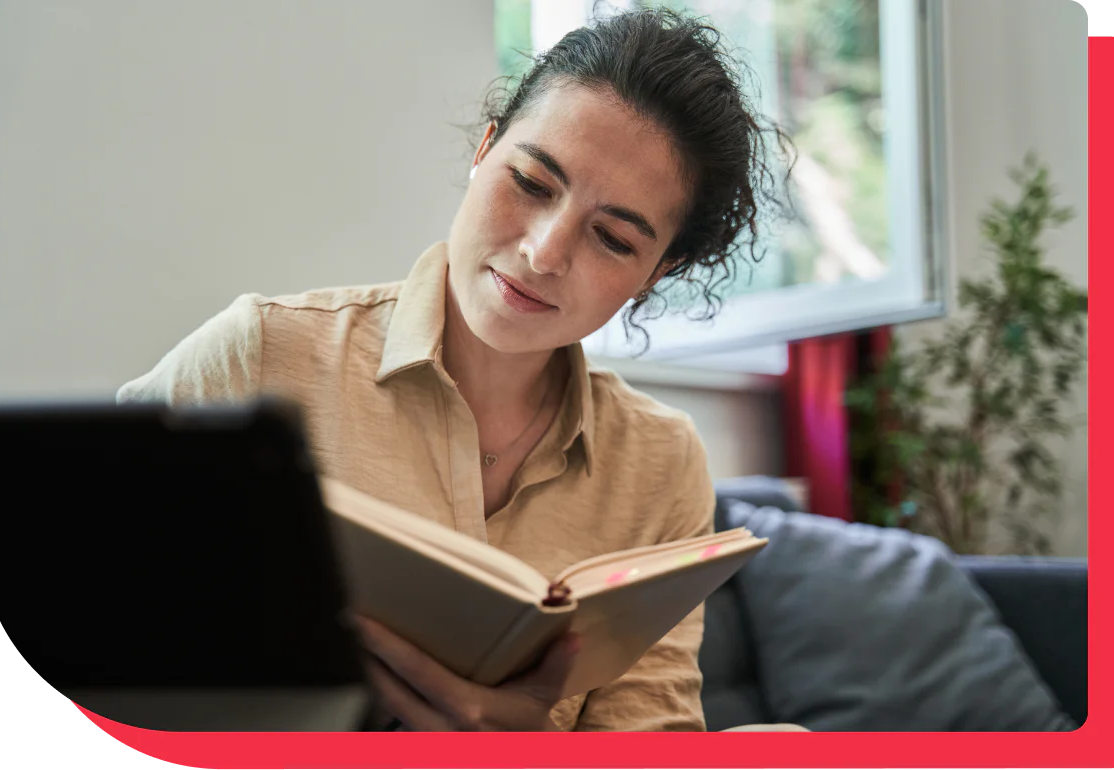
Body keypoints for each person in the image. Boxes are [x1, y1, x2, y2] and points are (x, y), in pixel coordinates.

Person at [117, 7, 803, 732]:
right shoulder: (258, 355)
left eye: (610, 237)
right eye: (533, 182)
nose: (544, 251)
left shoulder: (658, 462)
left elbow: (646, 733)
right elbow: (78, 590)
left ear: (656, 272)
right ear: (484, 149)